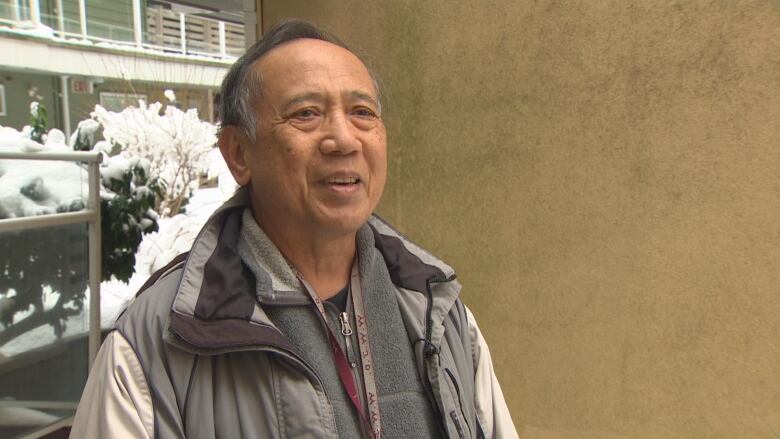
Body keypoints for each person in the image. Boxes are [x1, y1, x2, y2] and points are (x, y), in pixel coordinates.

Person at [70, 18, 517, 439]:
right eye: (306, 113)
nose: (343, 139)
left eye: (362, 112)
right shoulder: (160, 340)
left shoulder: (436, 310)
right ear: (239, 153)